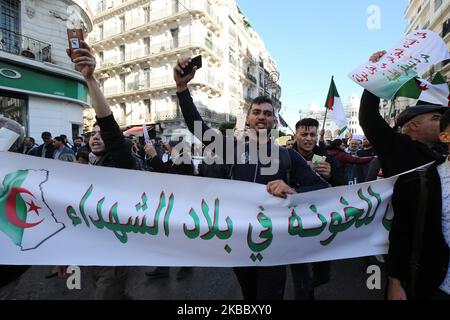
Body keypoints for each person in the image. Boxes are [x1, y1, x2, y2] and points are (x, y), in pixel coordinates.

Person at [174, 57, 329, 300]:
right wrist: (182, 89)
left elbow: (322, 188)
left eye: (268, 113)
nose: (261, 117)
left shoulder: (288, 156)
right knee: (249, 296)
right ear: (247, 119)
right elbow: (199, 129)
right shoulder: (231, 149)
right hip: (239, 242)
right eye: (256, 112)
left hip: (275, 243)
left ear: (274, 121)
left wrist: (293, 190)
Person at [68, 40, 136, 299]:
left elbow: (108, 126)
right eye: (91, 134)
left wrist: (91, 80)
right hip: (92, 249)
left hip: (116, 251)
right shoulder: (87, 166)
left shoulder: (122, 162)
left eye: (100, 134)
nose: (95, 137)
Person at [387, 109, 450, 300]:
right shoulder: (420, 181)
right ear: (445, 137)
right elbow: (401, 234)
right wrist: (395, 283)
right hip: (438, 286)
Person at [359, 50, 448, 177]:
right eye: (436, 118)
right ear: (415, 125)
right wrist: (376, 73)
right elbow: (368, 117)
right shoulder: (396, 146)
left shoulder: (443, 149)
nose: (443, 122)